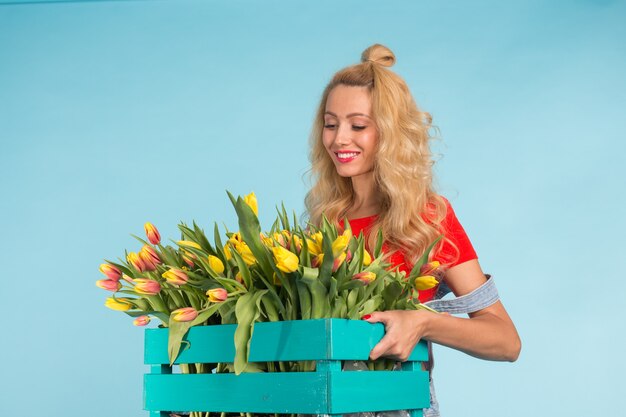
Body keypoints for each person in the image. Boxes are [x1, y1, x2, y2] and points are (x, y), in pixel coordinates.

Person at [304, 44, 521, 416]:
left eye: (358, 125)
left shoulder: (426, 219)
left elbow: (505, 341)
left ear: (389, 133)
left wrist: (423, 322)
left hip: (398, 407)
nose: (339, 139)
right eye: (330, 123)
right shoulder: (326, 220)